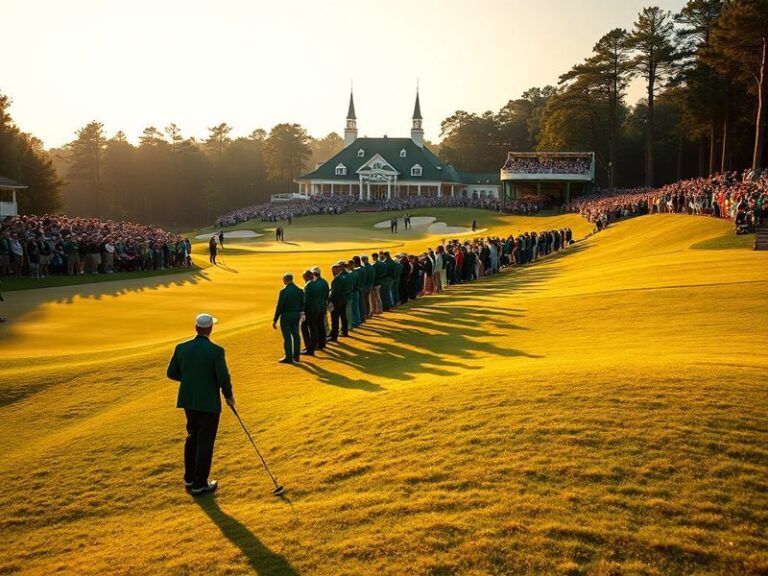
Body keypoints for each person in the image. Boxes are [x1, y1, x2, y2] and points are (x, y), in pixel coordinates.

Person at [166, 313, 234, 496]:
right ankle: (199, 484)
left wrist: (190, 380)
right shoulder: (216, 351)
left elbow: (171, 373)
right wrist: (229, 396)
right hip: (209, 403)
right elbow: (223, 378)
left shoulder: (181, 348)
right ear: (210, 329)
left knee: (192, 436)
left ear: (196, 328)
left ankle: (189, 478)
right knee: (205, 441)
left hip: (189, 400)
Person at [272, 272, 304, 364]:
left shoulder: (284, 291)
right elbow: (303, 303)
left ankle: (289, 357)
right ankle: (296, 356)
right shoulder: (300, 290)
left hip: (286, 316)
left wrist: (275, 320)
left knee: (287, 337)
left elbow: (280, 306)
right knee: (296, 335)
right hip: (296, 315)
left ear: (285, 280)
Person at [329, 262, 350, 341]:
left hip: (337, 301)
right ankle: (345, 331)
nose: (332, 272)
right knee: (343, 316)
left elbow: (334, 292)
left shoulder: (337, 279)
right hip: (344, 299)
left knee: (335, 319)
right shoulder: (344, 277)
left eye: (333, 271)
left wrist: (329, 300)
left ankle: (334, 336)